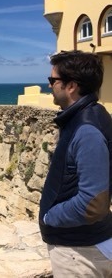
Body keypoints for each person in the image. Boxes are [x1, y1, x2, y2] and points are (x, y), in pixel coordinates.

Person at [40, 50, 112, 276]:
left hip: (79, 252)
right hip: (84, 245)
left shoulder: (86, 130)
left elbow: (93, 203)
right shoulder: (91, 115)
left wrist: (50, 217)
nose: (49, 85)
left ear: (71, 86)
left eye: (53, 80)